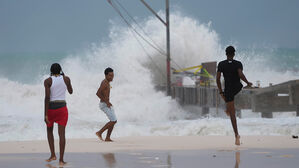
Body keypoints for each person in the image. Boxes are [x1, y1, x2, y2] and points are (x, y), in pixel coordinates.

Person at [216, 46, 252, 145]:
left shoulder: (221, 64)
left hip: (228, 91)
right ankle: (228, 108)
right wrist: (248, 83)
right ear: (234, 54)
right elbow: (240, 75)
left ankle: (236, 135)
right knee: (231, 106)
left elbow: (218, 79)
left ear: (226, 53)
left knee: (232, 113)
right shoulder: (238, 64)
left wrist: (220, 92)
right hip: (238, 88)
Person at [44, 63, 73, 165]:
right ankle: (61, 160)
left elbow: (47, 97)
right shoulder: (66, 79)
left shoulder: (48, 81)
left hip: (51, 109)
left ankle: (53, 155)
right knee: (62, 134)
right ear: (60, 70)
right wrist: (65, 77)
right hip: (62, 108)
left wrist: (45, 114)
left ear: (51, 70)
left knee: (49, 131)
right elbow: (71, 91)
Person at [96, 67, 117, 142]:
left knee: (113, 120)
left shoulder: (107, 82)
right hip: (104, 104)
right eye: (110, 75)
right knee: (113, 120)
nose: (112, 77)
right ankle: (99, 132)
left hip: (106, 103)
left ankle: (107, 137)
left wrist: (108, 102)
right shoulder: (104, 83)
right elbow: (98, 93)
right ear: (106, 75)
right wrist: (106, 102)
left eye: (113, 75)